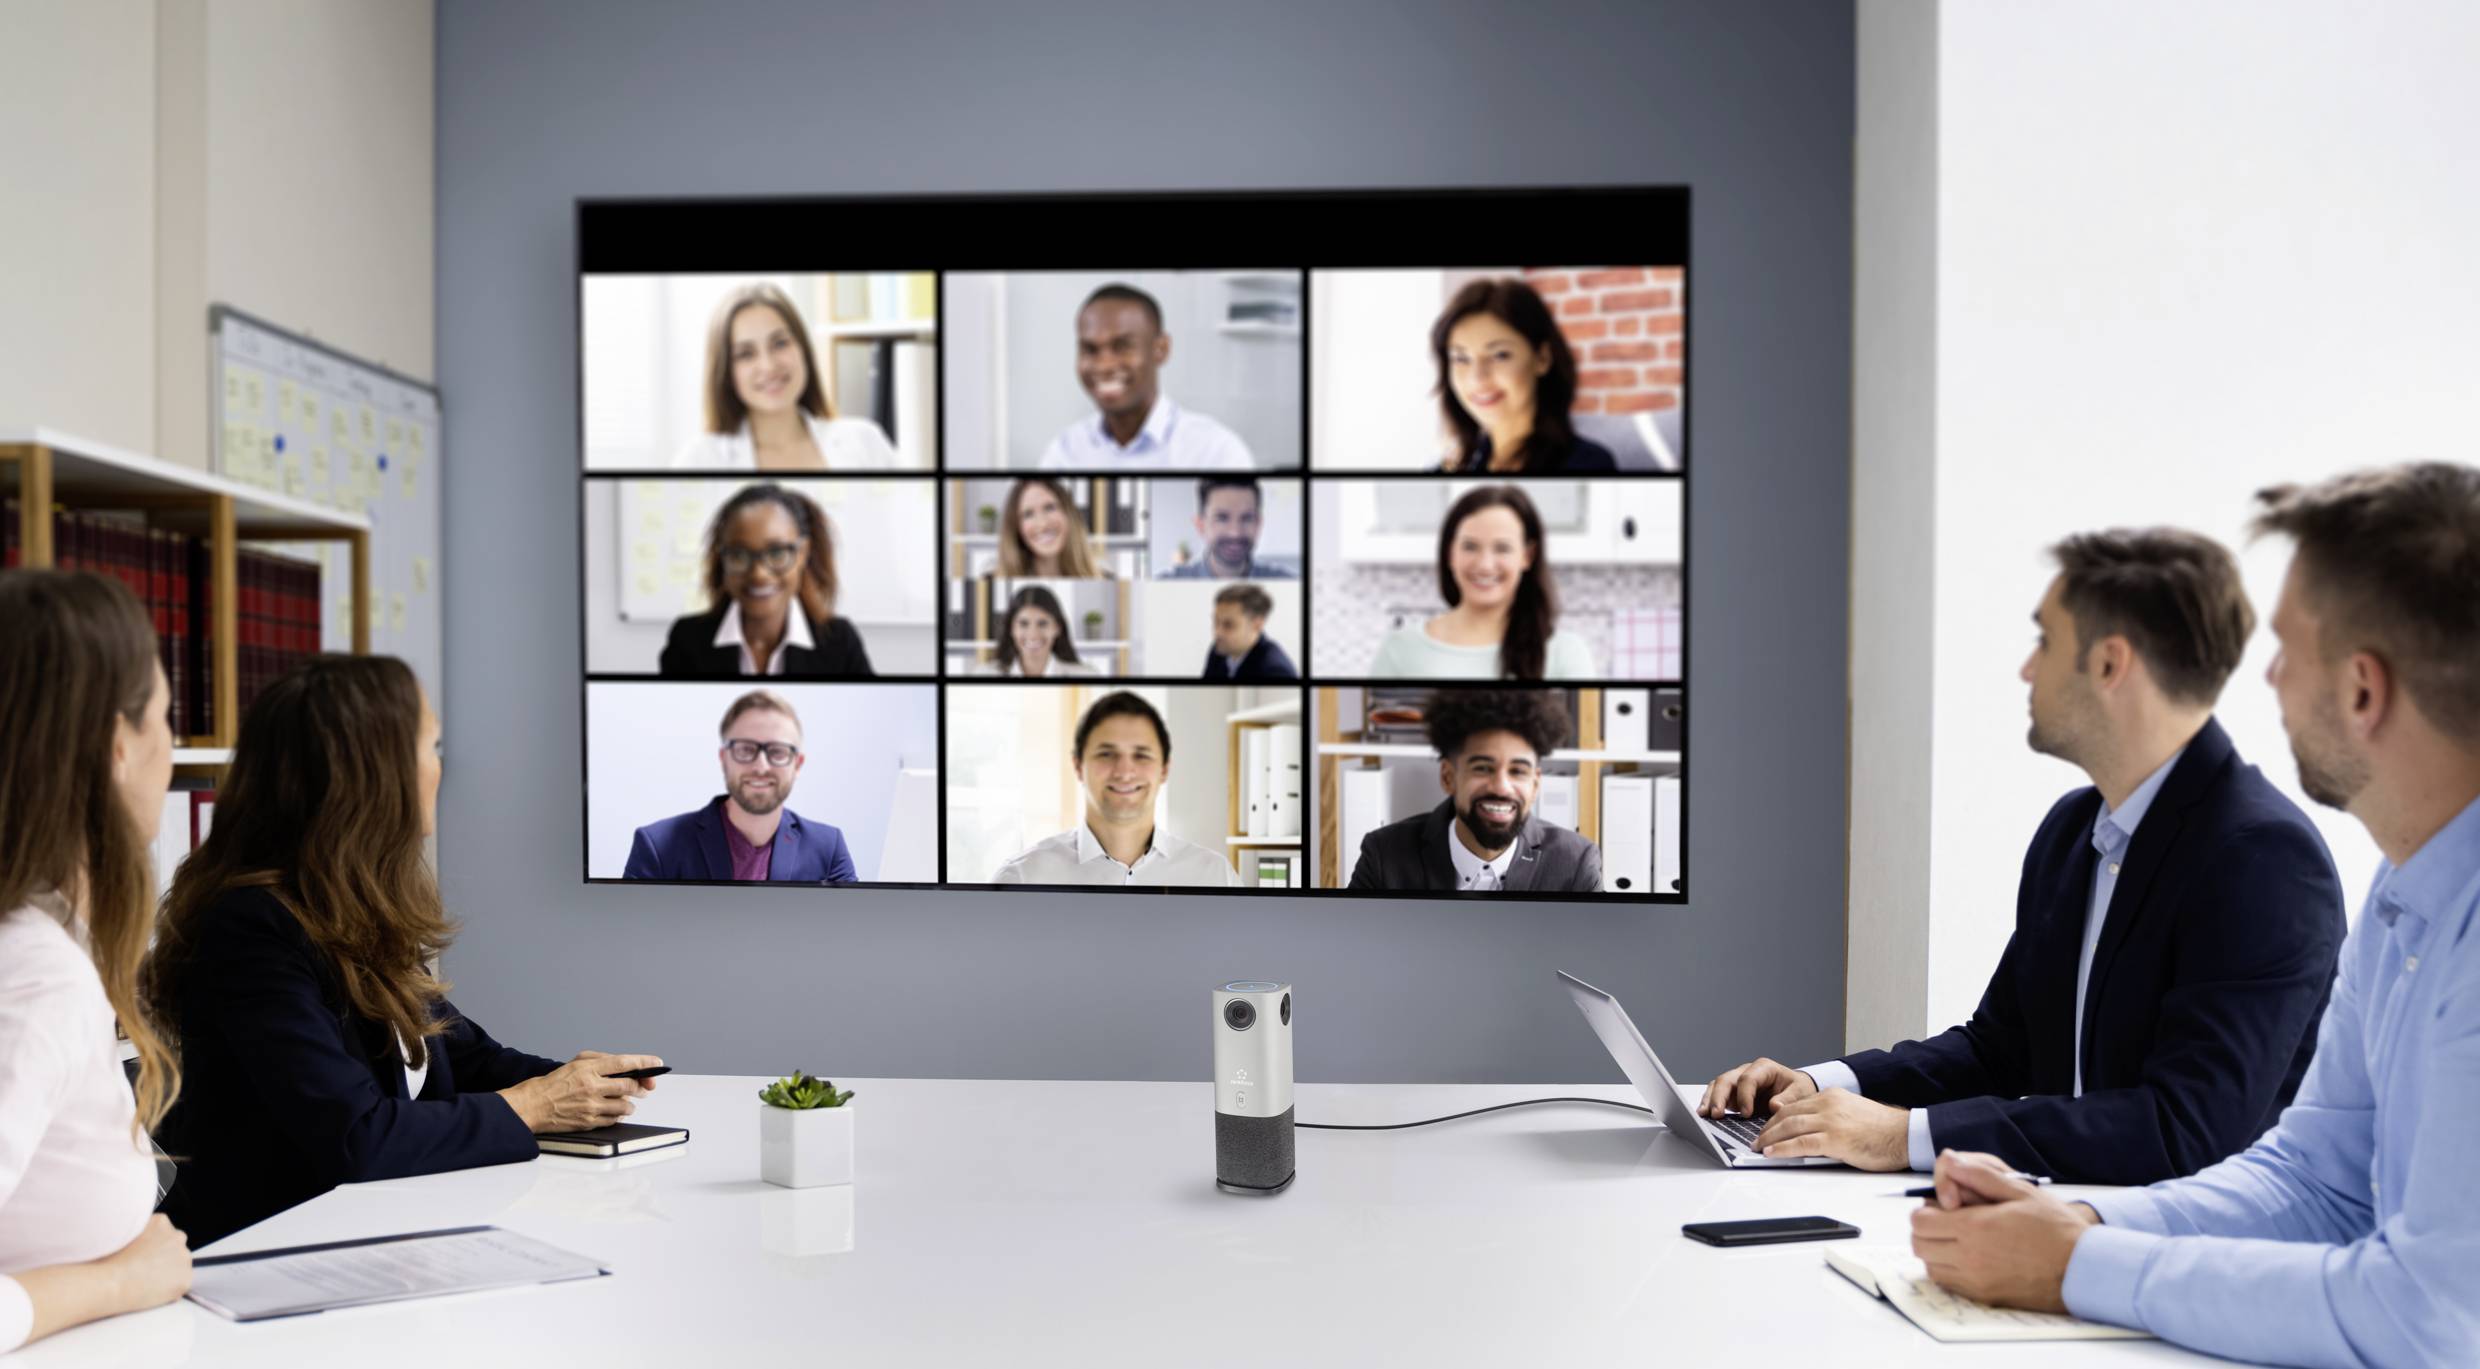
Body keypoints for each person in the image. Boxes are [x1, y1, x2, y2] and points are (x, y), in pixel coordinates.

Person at [1906, 465, 2480, 1366]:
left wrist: (2080, 1263)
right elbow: (2317, 1182)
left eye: (2288, 652)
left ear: (2364, 692)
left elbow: (2429, 1317)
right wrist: (2078, 1218)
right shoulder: (2402, 902)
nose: (2273, 682)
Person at [1702, 528, 2347, 1183]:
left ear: (2108, 663)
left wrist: (1903, 1135)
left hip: (2188, 1260)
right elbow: (1998, 1048)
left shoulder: (2264, 858)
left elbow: (2182, 1129)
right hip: (2058, 1222)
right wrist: (1820, 1084)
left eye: (2045, 639)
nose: (2027, 667)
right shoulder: (2072, 832)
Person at [146, 655, 665, 1247]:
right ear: (373, 776)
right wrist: (536, 1104)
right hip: (265, 1254)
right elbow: (356, 1137)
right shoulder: (249, 929)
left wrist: (574, 1082)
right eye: (431, 745)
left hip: (367, 1234)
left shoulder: (348, 903)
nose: (442, 769)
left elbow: (459, 1056)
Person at [0, 571, 193, 1353]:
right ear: (120, 746)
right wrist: (118, 1281)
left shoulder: (42, 942)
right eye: (168, 718)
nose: (173, 748)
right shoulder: (37, 978)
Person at [1347, 689, 1601, 893]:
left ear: (1535, 785)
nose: (1501, 786)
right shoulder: (1383, 854)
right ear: (1448, 777)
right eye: (1482, 768)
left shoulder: (1575, 863)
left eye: (1518, 771)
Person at [993, 691, 1240, 886]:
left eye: (1141, 755)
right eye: (1106, 754)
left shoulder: (1215, 875)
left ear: (1164, 769)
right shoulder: (1022, 877)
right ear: (1078, 766)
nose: (1124, 771)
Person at [623, 690, 857, 883]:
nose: (761, 766)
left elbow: (850, 933)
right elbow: (628, 935)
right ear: (724, 759)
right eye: (746, 749)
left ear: (797, 764)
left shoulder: (828, 848)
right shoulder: (657, 846)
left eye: (777, 752)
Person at [1366, 485, 1596, 679]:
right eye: (1470, 546)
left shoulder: (1565, 653)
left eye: (1502, 548)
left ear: (1527, 556)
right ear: (1450, 554)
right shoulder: (1401, 649)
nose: (1485, 564)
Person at [670, 282, 902, 470]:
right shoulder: (700, 460)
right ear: (726, 373)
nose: (769, 365)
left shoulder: (865, 442)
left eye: (780, 343)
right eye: (746, 354)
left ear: (802, 348)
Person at [659, 483, 874, 678]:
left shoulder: (839, 642)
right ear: (722, 558)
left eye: (777, 553)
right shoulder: (687, 640)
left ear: (803, 554)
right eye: (739, 555)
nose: (759, 574)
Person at [1037, 283, 1255, 471]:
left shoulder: (1215, 452)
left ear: (1161, 349)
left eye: (1122, 347)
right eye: (1090, 350)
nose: (1104, 366)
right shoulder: (1064, 452)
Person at [1432, 278, 1617, 474]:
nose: (1477, 378)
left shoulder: (1586, 464)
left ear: (1542, 358)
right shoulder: (1448, 467)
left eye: (1500, 355)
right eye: (1461, 358)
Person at [1160, 477, 1295, 579]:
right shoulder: (1163, 589)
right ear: (1200, 525)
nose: (1235, 533)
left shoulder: (1291, 585)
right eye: (1222, 518)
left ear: (1258, 525)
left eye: (1247, 518)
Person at [994, 477, 1108, 579]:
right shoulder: (992, 579)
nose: (1042, 524)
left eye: (1049, 508)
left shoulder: (1103, 577)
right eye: (1028, 514)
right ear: (1016, 527)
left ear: (1068, 513)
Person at [978, 585, 1100, 678]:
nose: (1033, 634)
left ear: (1057, 628)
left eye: (1042, 624)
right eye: (1023, 624)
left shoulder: (1086, 674)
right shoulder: (985, 673)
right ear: (1011, 628)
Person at [1201, 584, 1297, 681]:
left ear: (1257, 625)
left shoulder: (1275, 671)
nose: (1218, 632)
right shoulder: (1218, 651)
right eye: (1216, 622)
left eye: (1228, 625)